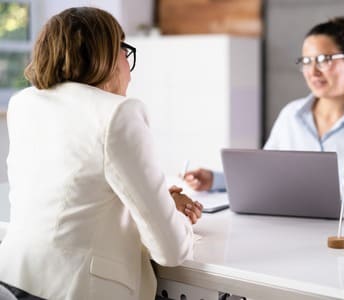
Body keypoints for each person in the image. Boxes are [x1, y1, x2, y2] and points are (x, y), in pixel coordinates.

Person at [0, 7, 202, 300]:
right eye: (124, 50)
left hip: (14, 280)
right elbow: (171, 250)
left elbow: (78, 202)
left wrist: (158, 201)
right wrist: (174, 214)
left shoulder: (25, 104)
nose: (128, 69)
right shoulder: (117, 114)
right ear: (105, 56)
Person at [185, 17, 344, 206]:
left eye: (323, 60)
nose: (313, 71)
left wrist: (296, 188)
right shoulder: (292, 114)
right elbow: (266, 173)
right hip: (304, 227)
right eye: (306, 61)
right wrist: (215, 180)